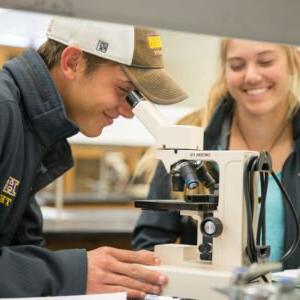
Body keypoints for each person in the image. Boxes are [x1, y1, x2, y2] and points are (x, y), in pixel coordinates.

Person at [0, 16, 189, 298]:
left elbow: (19, 252)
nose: (127, 112)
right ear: (73, 62)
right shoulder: (5, 113)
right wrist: (72, 272)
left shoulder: (33, 130)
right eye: (124, 91)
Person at [132, 39, 300, 270]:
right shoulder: (188, 139)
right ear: (225, 70)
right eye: (237, 65)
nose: (251, 76)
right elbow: (150, 245)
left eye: (266, 61)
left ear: (294, 62)